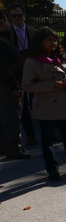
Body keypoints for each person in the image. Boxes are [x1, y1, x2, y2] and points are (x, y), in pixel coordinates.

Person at [22, 27, 66, 181]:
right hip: (45, 106)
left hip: (63, 105)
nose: (53, 43)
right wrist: (52, 85)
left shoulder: (61, 58)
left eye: (55, 40)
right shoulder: (32, 61)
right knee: (48, 141)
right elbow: (27, 85)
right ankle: (52, 170)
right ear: (40, 42)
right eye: (49, 40)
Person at [7, 2, 37, 146]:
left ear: (24, 16)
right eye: (14, 16)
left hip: (33, 69)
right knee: (22, 105)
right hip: (17, 71)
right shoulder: (7, 33)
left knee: (38, 100)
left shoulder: (33, 32)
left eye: (19, 15)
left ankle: (48, 130)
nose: (17, 18)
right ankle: (30, 134)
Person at [0, 13, 29, 159]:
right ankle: (12, 148)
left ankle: (5, 146)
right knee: (11, 117)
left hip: (7, 83)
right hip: (8, 85)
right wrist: (14, 85)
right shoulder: (3, 42)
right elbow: (5, 67)